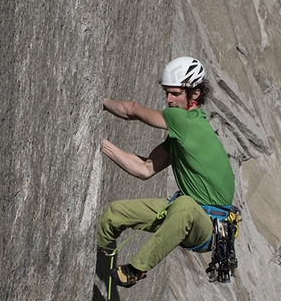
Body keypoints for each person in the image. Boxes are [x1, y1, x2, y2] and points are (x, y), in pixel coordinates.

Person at [97, 56, 235, 287]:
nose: (168, 100)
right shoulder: (179, 138)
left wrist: (99, 101)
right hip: (185, 215)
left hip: (208, 227)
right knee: (115, 213)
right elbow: (144, 169)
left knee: (185, 205)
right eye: (166, 93)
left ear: (195, 94)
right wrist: (102, 144)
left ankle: (137, 269)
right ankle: (100, 256)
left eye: (175, 93)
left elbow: (132, 110)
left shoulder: (186, 122)